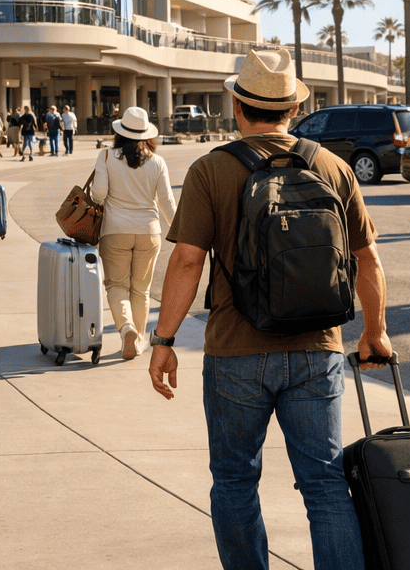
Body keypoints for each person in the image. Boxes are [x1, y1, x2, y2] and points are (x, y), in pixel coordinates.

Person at [149, 46, 391, 570]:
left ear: (238, 105)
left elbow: (188, 262)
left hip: (236, 351)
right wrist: (376, 332)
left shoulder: (210, 171)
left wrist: (164, 341)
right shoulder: (330, 166)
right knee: (324, 484)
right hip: (317, 349)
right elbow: (367, 260)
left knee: (235, 481)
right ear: (294, 108)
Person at [90, 106, 176, 360]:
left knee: (116, 285)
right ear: (146, 134)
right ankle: (137, 340)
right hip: (149, 232)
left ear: (120, 132)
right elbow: (167, 202)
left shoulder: (106, 156)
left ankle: (126, 328)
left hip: (115, 231)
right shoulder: (157, 161)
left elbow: (99, 194)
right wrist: (182, 231)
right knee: (141, 290)